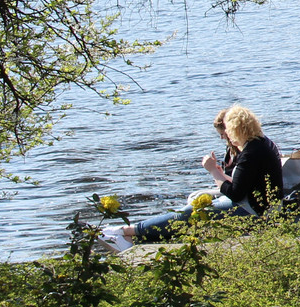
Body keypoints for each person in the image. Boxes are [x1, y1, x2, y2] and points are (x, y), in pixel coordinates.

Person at [96, 106, 283, 251]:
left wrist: (213, 171)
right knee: (193, 203)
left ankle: (127, 232)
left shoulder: (251, 152)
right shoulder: (261, 144)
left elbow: (235, 193)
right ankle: (134, 238)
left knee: (191, 212)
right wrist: (221, 173)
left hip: (255, 212)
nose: (227, 138)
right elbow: (245, 184)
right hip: (259, 206)